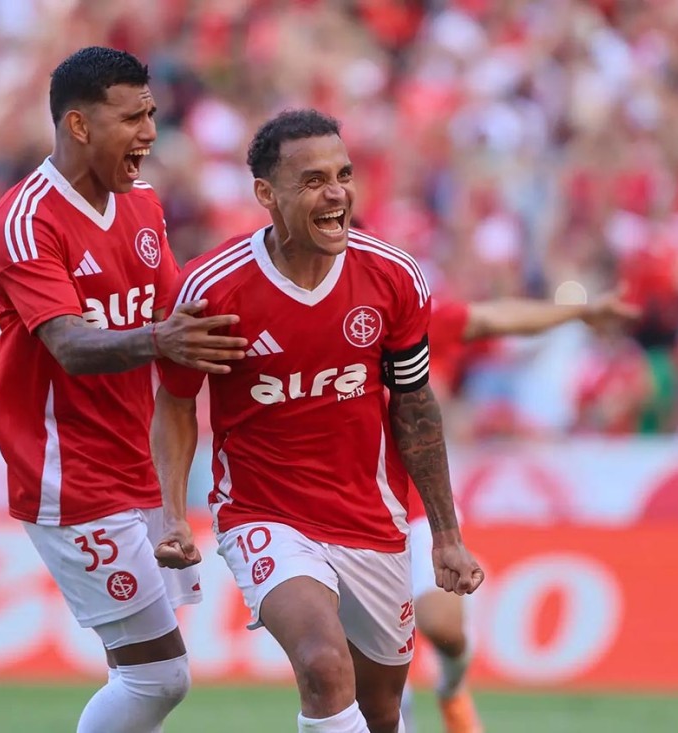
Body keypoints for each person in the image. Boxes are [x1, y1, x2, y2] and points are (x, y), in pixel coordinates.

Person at [152, 109, 483, 733]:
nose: (336, 194)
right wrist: (171, 514)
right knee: (324, 665)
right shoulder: (212, 289)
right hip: (264, 513)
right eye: (312, 181)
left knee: (381, 710)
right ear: (266, 194)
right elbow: (174, 403)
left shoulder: (393, 277)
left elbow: (415, 407)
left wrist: (445, 534)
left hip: (371, 518)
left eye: (343, 175)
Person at [0, 46, 247, 733]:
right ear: (79, 125)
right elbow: (70, 346)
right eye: (132, 118)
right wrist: (162, 340)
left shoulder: (143, 205)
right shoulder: (28, 220)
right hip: (68, 474)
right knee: (158, 676)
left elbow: (179, 316)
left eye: (151, 115)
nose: (150, 133)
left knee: (139, 674)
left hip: (137, 464)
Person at [401, 291, 639, 733]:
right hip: (341, 512)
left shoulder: (398, 312)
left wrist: (579, 311)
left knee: (443, 626)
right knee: (374, 666)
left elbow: (494, 316)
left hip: (415, 504)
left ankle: (452, 688)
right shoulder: (306, 326)